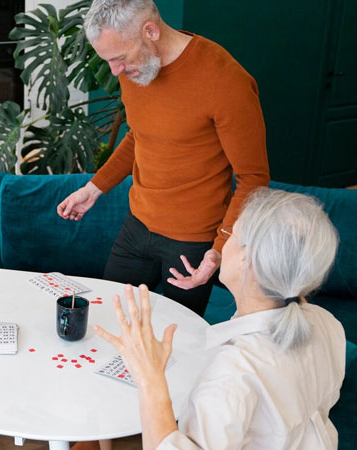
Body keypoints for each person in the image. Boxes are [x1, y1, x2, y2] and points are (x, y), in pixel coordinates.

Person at [57, 0, 270, 317]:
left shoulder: (226, 81)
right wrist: (94, 188)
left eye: (118, 59)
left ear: (150, 30)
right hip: (137, 225)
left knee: (180, 341)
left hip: (192, 242)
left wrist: (218, 250)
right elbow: (138, 135)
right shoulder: (136, 69)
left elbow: (254, 179)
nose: (114, 71)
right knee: (110, 320)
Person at [96, 188, 344, 449]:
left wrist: (149, 376)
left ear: (247, 261)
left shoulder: (232, 374)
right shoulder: (327, 323)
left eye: (231, 234)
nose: (222, 245)